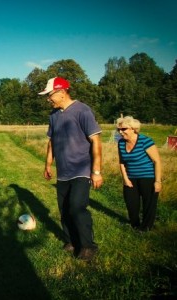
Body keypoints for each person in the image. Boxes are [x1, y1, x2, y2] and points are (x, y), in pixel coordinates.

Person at [40, 77, 103, 262]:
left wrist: (96, 171)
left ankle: (88, 246)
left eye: (49, 95)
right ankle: (71, 242)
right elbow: (52, 141)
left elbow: (96, 141)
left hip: (82, 168)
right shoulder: (54, 115)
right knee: (64, 209)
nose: (48, 99)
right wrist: (48, 164)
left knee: (77, 207)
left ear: (61, 92)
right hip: (63, 171)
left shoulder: (82, 110)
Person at [116, 116, 163, 231]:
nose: (121, 132)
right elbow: (122, 162)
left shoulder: (145, 141)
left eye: (124, 129)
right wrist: (125, 179)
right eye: (119, 130)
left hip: (148, 177)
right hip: (131, 178)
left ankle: (146, 228)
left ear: (133, 129)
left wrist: (157, 181)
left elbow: (157, 161)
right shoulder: (121, 143)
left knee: (149, 205)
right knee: (131, 204)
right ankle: (135, 225)